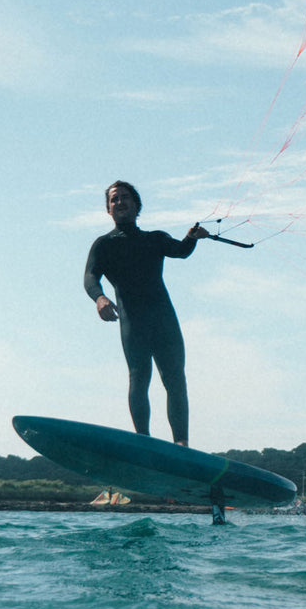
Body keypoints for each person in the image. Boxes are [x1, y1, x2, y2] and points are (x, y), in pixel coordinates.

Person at [83, 181, 210, 445]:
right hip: (133, 322)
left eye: (125, 197)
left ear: (136, 205)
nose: (120, 202)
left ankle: (181, 443)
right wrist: (100, 298)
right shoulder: (104, 245)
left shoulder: (155, 239)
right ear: (108, 209)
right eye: (114, 199)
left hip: (164, 319)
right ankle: (144, 441)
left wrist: (192, 237)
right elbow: (90, 277)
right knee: (139, 377)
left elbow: (181, 251)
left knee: (175, 379)